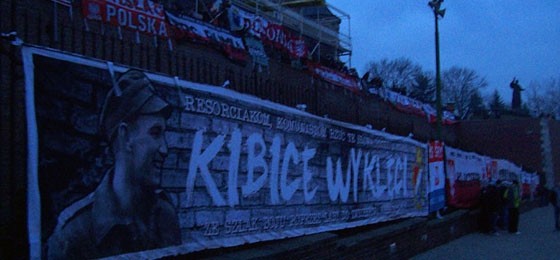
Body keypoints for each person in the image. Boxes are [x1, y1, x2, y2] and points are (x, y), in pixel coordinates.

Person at [47, 70, 181, 259]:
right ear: (125, 136)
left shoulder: (165, 215)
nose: (164, 149)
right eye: (155, 133)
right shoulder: (74, 233)